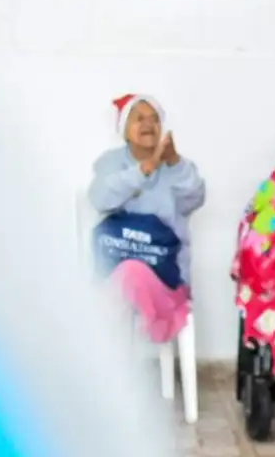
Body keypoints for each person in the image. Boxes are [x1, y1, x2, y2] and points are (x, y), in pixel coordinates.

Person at [88, 94, 205, 343]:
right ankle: (117, 365)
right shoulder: (111, 164)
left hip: (167, 280)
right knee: (125, 277)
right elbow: (100, 198)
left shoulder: (178, 167)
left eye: (154, 119)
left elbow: (195, 198)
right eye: (139, 118)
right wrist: (146, 168)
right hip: (116, 276)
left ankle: (115, 365)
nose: (148, 125)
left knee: (131, 273)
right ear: (125, 130)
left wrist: (173, 162)